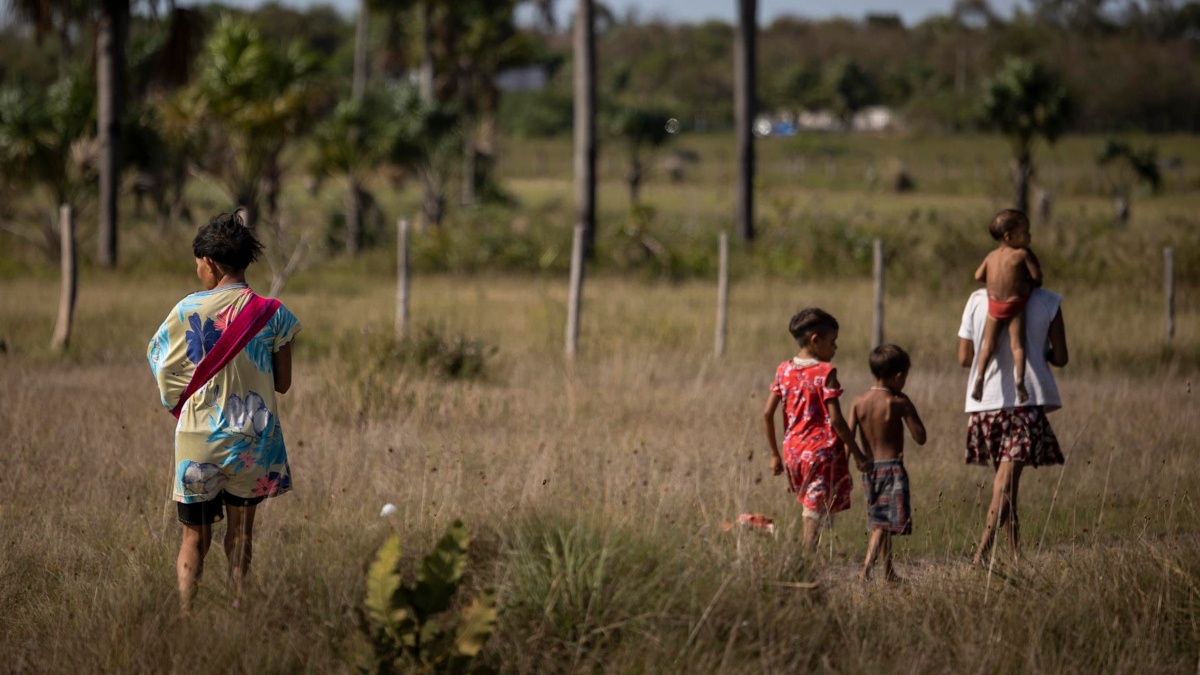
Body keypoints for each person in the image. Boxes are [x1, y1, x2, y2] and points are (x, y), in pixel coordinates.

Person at [147, 211, 302, 615]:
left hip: (198, 437)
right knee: (242, 534)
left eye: (198, 262)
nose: (197, 270)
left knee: (193, 537)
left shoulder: (185, 312)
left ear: (211, 263)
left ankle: (185, 616)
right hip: (252, 438)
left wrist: (182, 406)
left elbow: (160, 363)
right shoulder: (274, 313)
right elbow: (282, 383)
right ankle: (239, 608)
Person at [958, 283, 1068, 566]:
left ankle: (1015, 555)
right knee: (1006, 486)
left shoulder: (977, 299)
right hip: (1023, 404)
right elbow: (1061, 357)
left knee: (1005, 487)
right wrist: (1036, 352)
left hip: (985, 407)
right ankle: (982, 553)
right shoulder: (1047, 302)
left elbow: (964, 358)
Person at [763, 308, 871, 554]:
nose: (835, 349)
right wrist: (857, 454)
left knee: (814, 506)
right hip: (819, 454)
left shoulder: (784, 370)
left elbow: (767, 413)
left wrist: (774, 454)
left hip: (792, 454)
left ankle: (805, 554)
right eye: (832, 343)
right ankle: (804, 562)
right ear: (815, 341)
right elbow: (837, 421)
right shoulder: (825, 372)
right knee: (813, 512)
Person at [850, 344, 926, 581]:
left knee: (880, 518)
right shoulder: (897, 403)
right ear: (898, 376)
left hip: (869, 469)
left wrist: (855, 459)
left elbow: (847, 437)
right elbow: (920, 437)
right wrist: (907, 404)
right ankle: (866, 570)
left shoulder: (858, 402)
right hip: (892, 467)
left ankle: (889, 571)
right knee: (884, 522)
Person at [971, 209, 1043, 404]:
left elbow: (978, 276)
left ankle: (979, 377)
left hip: (994, 307)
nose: (1030, 236)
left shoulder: (991, 256)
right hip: (1014, 306)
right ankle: (1019, 379)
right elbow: (1038, 279)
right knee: (1017, 346)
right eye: (1025, 232)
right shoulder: (1021, 254)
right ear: (1009, 236)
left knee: (988, 345)